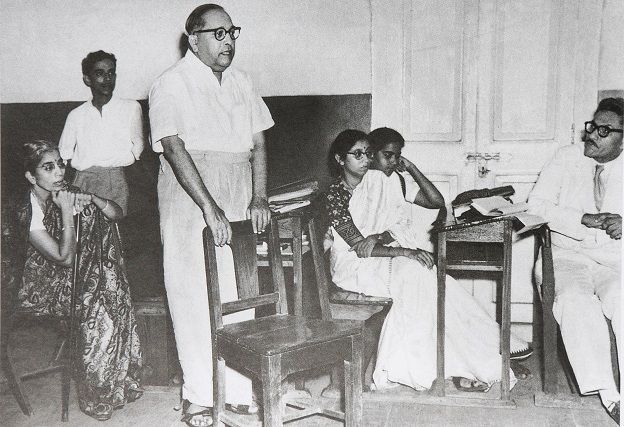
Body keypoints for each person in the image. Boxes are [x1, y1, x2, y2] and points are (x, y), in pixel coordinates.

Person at [326, 129, 532, 393]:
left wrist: (410, 168)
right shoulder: (335, 194)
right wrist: (407, 252)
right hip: (353, 267)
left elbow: (434, 202)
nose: (365, 160)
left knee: (434, 280)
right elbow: (359, 246)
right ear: (340, 159)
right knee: (420, 275)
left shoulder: (385, 182)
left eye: (367, 153)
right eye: (358, 154)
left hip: (383, 259)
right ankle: (488, 351)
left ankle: (472, 358)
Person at [148, 4, 273, 426]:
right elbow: (173, 147)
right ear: (194, 39)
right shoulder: (171, 82)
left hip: (238, 185)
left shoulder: (242, 81)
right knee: (192, 291)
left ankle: (236, 389)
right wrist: (209, 206)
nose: (228, 41)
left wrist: (259, 197)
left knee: (240, 287)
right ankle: (199, 396)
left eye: (232, 32)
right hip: (191, 190)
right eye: (218, 33)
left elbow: (258, 143)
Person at [14, 140, 142, 421]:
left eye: (60, 165)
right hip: (35, 287)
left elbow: (116, 214)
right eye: (49, 168)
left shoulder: (64, 191)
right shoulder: (26, 210)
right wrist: (66, 211)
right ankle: (97, 392)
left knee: (110, 282)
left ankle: (115, 381)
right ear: (31, 177)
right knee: (97, 300)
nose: (59, 172)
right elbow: (64, 258)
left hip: (69, 275)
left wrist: (91, 199)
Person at [528, 97, 622, 424]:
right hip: (566, 255)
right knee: (574, 301)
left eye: (604, 131)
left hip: (614, 260)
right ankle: (610, 395)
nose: (592, 135)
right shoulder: (566, 157)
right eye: (593, 126)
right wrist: (582, 218)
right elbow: (536, 205)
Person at [59, 50, 145, 217]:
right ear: (87, 79)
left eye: (111, 73)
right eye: (99, 73)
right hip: (84, 181)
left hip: (117, 179)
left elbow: (139, 148)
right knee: (83, 227)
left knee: (115, 226)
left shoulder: (131, 107)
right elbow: (64, 154)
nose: (107, 78)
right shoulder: (76, 115)